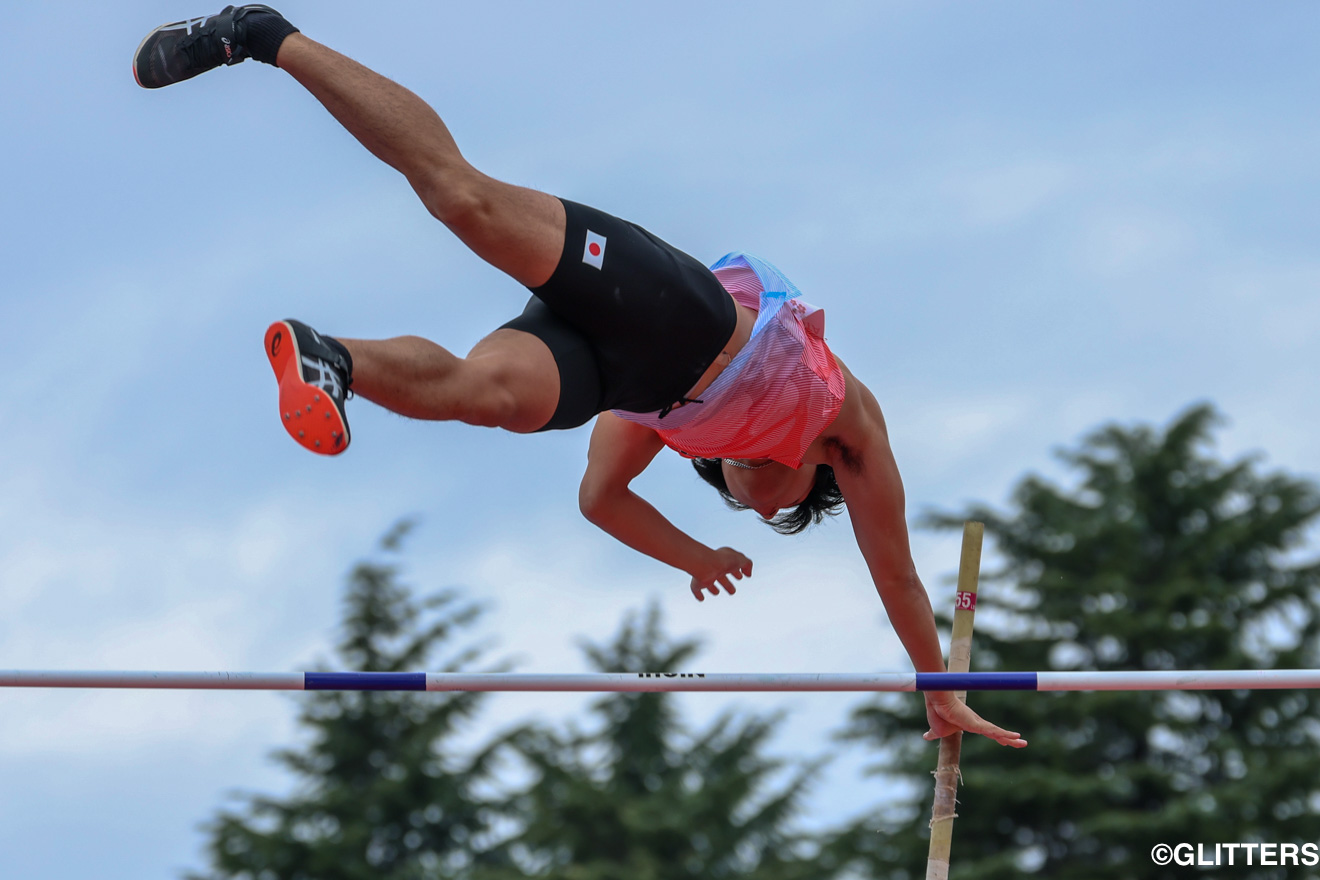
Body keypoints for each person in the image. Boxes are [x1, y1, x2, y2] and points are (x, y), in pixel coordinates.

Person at [134, 5, 1027, 749]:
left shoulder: (677, 433)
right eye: (774, 501)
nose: (754, 498)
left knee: (491, 400)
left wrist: (696, 557)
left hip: (616, 370)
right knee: (460, 198)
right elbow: (901, 578)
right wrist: (940, 684)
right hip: (673, 307)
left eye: (746, 505)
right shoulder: (849, 427)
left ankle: (335, 359)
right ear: (816, 475)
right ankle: (260, 34)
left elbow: (600, 499)